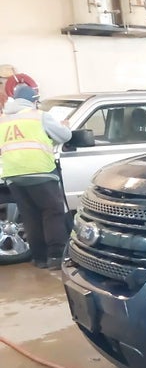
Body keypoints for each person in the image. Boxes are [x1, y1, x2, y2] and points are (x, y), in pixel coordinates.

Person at [0, 84, 71, 270]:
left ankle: (39, 258)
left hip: (13, 174)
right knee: (52, 213)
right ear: (32, 100)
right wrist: (64, 127)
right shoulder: (39, 116)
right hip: (40, 172)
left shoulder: (3, 119)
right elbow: (65, 136)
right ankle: (55, 256)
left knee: (30, 216)